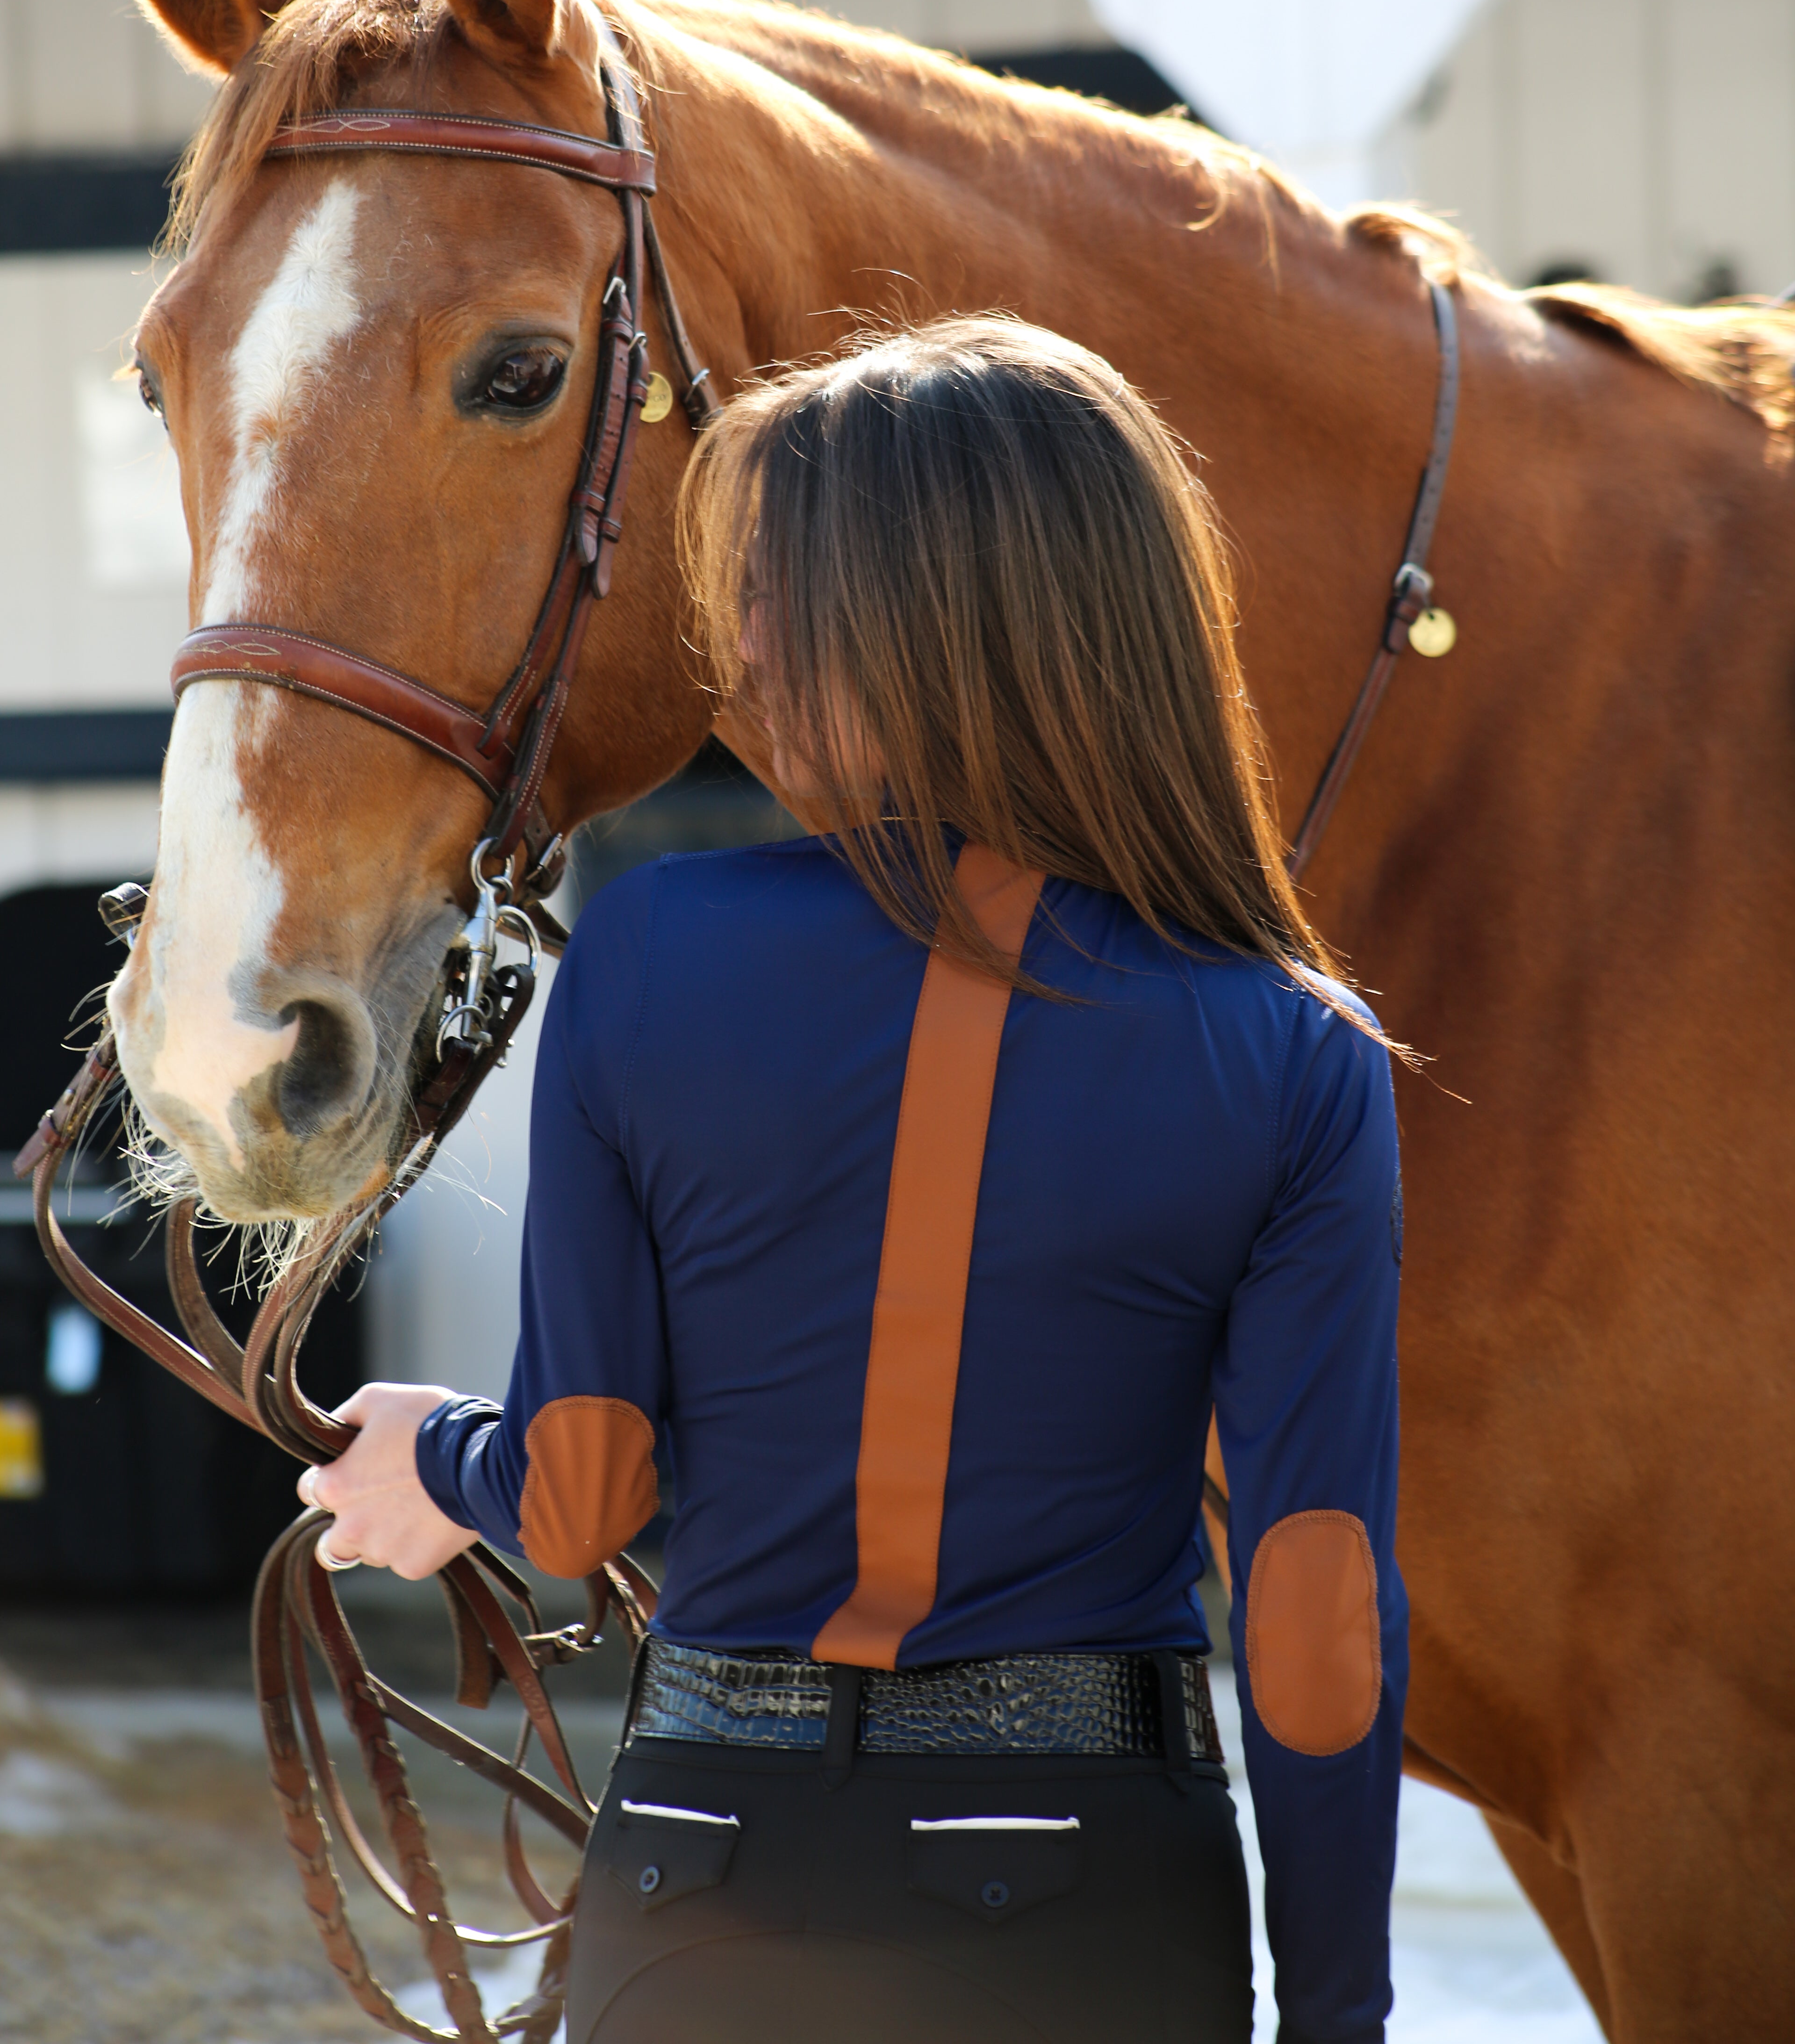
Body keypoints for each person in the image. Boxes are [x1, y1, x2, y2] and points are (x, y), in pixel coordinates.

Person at [300, 316, 1407, 2044]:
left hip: (707, 1873)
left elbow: (584, 1494)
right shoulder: (1296, 1052)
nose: (736, 655)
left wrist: (442, 1456)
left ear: (906, 637)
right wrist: (1338, 2015)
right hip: (1094, 1887)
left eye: (776, 599)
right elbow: (1317, 1611)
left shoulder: (651, 953)